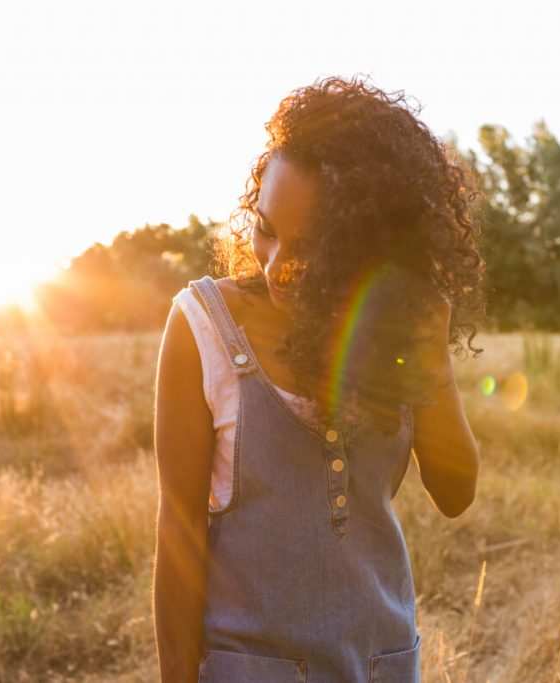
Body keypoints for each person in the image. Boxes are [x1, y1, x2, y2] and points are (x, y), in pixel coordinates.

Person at [152, 74, 484, 682]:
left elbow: (456, 493)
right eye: (266, 229)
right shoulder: (202, 326)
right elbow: (179, 527)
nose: (274, 268)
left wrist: (430, 357)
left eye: (306, 251)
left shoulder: (396, 332)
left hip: (384, 664)